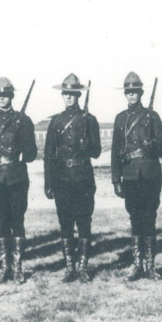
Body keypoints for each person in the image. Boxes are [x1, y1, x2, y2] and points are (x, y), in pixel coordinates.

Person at [0, 77, 38, 284]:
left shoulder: (24, 120)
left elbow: (32, 154)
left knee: (17, 221)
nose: (2, 98)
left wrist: (22, 146)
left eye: (6, 95)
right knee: (3, 222)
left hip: (16, 179)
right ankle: (5, 267)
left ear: (11, 96)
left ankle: (18, 268)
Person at [111, 72, 162, 280]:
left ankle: (150, 266)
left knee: (149, 218)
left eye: (135, 91)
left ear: (141, 93)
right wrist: (116, 179)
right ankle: (137, 265)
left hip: (150, 174)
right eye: (128, 92)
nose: (132, 95)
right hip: (130, 175)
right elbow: (115, 152)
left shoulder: (152, 116)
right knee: (135, 218)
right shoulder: (120, 119)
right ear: (125, 94)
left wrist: (152, 145)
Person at [45, 74, 101, 283]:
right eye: (65, 94)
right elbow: (49, 155)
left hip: (83, 178)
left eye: (72, 94)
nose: (69, 98)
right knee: (65, 223)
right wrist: (49, 183)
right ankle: (70, 267)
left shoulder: (90, 120)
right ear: (63, 96)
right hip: (62, 179)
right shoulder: (56, 122)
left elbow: (96, 152)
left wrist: (88, 145)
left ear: (78, 95)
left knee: (84, 222)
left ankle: (83, 267)